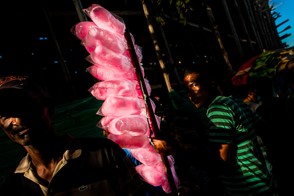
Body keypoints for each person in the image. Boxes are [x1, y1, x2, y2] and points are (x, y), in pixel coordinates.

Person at [0, 75, 147, 195]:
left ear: (48, 108)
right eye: (7, 114)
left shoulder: (104, 154)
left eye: (26, 108)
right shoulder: (15, 185)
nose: (18, 120)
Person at [181, 65, 278, 195]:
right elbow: (267, 131)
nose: (190, 94)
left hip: (247, 188)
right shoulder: (235, 102)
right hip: (263, 181)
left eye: (193, 85)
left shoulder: (217, 109)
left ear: (211, 82)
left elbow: (221, 160)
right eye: (187, 89)